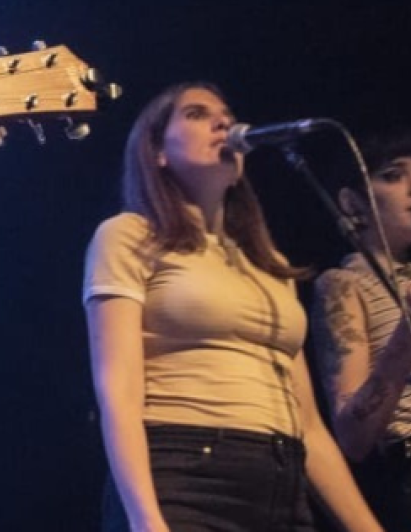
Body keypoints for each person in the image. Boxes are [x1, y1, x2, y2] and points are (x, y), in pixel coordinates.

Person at [83, 81, 381, 532]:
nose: (224, 122)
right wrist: (144, 516)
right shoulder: (129, 236)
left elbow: (310, 425)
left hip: (282, 484)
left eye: (225, 113)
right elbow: (118, 389)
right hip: (185, 476)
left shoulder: (271, 266)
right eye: (197, 114)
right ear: (157, 151)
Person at [311, 129, 411, 530]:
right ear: (353, 202)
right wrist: (403, 342)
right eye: (393, 175)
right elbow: (353, 435)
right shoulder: (344, 284)